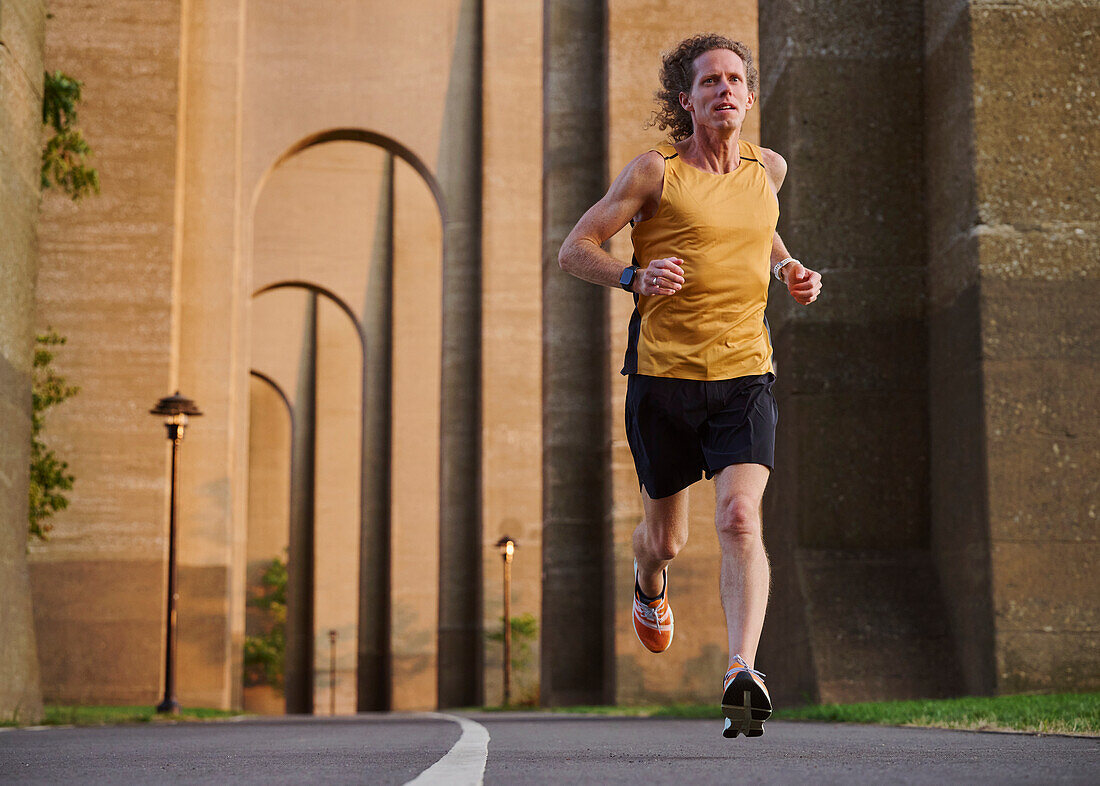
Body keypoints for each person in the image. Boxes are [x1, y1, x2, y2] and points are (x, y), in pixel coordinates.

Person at [557, 34, 821, 738]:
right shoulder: (655, 174)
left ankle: (742, 672)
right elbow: (574, 249)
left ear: (750, 95)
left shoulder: (768, 170)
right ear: (688, 99)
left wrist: (790, 270)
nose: (725, 91)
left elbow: (759, 231)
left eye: (736, 80)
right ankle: (649, 587)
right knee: (665, 541)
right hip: (663, 380)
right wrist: (631, 276)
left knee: (738, 518)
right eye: (710, 82)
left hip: (745, 373)